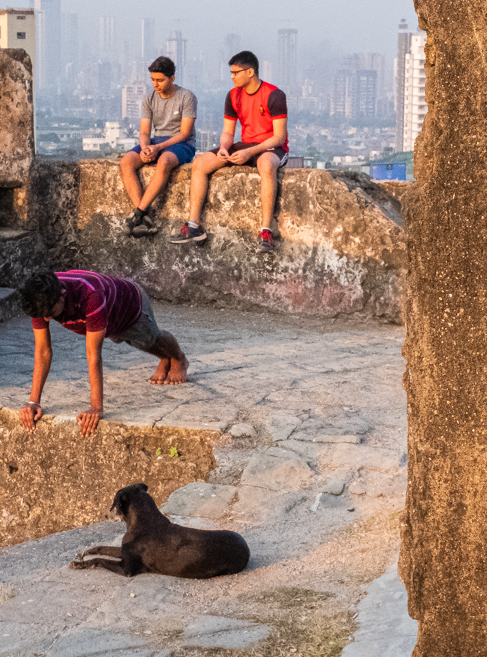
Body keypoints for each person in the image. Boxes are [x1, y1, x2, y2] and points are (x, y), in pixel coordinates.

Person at [16, 269, 189, 437]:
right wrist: (33, 402)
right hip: (106, 322)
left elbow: (93, 356)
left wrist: (96, 408)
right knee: (135, 342)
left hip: (129, 305)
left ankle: (178, 358)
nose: (46, 319)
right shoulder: (41, 299)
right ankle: (164, 358)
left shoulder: (90, 294)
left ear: (62, 294)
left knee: (150, 339)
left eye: (50, 314)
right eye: (43, 316)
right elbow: (43, 351)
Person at [173, 49, 289, 253]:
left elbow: (279, 136)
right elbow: (228, 131)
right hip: (245, 144)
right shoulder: (233, 95)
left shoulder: (274, 95)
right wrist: (225, 148)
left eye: (236, 73)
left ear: (250, 72)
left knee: (265, 165)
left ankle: (265, 231)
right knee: (200, 164)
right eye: (231, 73)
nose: (232, 77)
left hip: (270, 146)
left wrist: (251, 152)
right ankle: (193, 225)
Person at [120, 56, 197, 237]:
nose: (156, 84)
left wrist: (158, 148)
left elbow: (184, 133)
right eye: (153, 80)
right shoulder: (150, 98)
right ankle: (144, 217)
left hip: (181, 143)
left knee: (164, 162)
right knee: (126, 163)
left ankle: (137, 214)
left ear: (172, 78)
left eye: (160, 80)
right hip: (156, 141)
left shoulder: (186, 97)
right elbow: (145, 131)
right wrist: (146, 147)